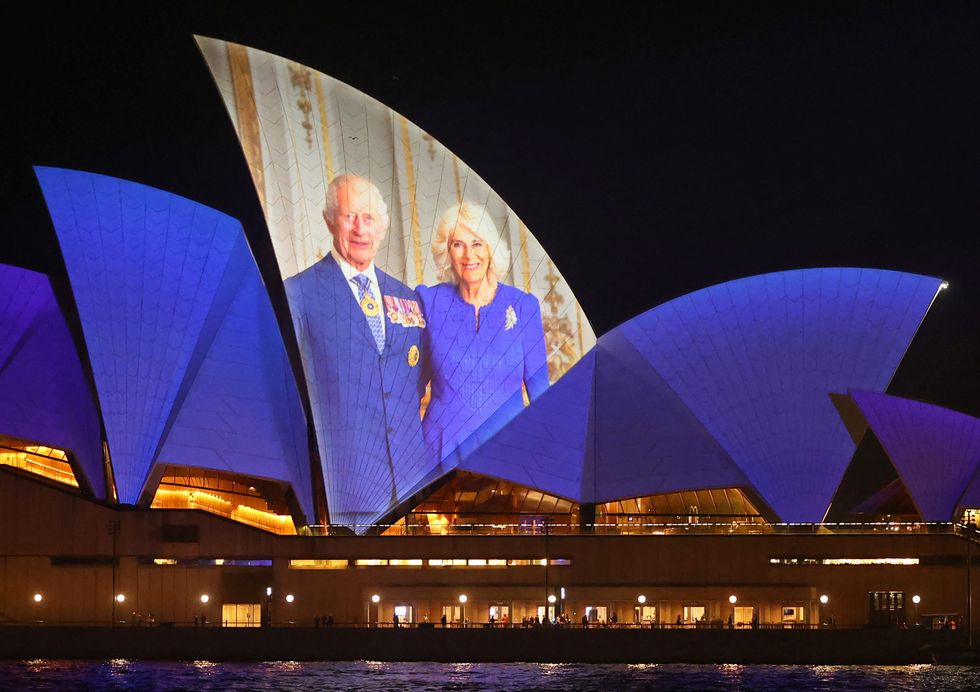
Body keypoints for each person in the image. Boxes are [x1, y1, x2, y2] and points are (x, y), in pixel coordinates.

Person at [284, 175, 431, 527]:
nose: (360, 229)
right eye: (350, 216)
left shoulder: (408, 298)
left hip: (410, 487)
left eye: (369, 218)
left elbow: (417, 380)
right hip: (344, 489)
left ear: (382, 227)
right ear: (329, 219)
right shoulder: (299, 294)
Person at [418, 203, 549, 465]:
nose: (469, 255)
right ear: (447, 251)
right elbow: (411, 389)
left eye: (477, 243)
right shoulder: (428, 302)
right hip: (440, 457)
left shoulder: (523, 307)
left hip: (509, 455)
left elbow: (541, 394)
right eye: (458, 244)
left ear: (490, 248)